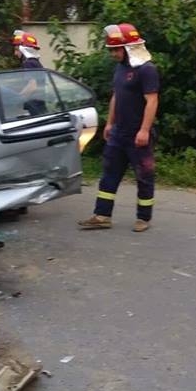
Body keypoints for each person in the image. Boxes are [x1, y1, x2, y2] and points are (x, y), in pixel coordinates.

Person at [78, 23, 159, 233]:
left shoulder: (147, 70)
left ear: (130, 47)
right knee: (109, 174)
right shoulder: (121, 68)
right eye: (111, 50)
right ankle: (102, 215)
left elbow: (152, 101)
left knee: (144, 177)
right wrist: (110, 123)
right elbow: (116, 96)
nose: (113, 54)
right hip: (118, 134)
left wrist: (144, 130)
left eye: (117, 49)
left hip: (137, 135)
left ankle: (143, 218)